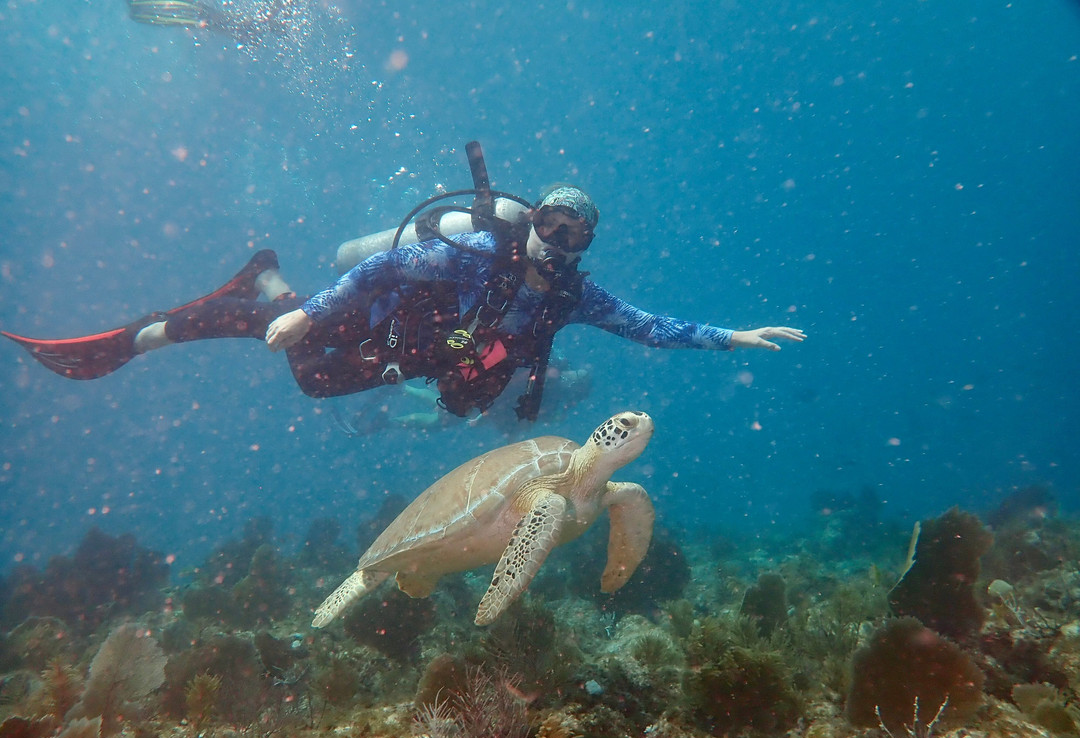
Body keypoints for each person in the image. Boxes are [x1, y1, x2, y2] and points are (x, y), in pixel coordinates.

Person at [3, 180, 805, 421]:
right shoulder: (477, 251)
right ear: (534, 222)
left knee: (314, 383)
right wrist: (312, 310)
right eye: (552, 223)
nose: (559, 240)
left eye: (577, 233)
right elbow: (383, 273)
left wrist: (728, 338)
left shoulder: (572, 298)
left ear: (585, 245)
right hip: (372, 316)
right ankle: (189, 321)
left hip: (414, 359)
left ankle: (270, 284)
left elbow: (648, 326)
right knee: (287, 345)